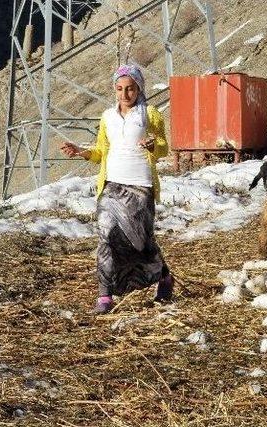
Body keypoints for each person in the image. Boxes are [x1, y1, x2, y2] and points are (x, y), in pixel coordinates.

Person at [60, 64, 173, 314]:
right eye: (120, 89)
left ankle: (164, 276)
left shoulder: (150, 114)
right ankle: (105, 295)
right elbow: (101, 151)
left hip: (141, 186)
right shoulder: (107, 117)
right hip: (111, 185)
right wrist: (81, 151)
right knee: (106, 236)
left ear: (139, 88)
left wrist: (153, 144)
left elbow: (164, 146)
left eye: (130, 89)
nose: (125, 94)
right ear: (114, 90)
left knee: (140, 241)